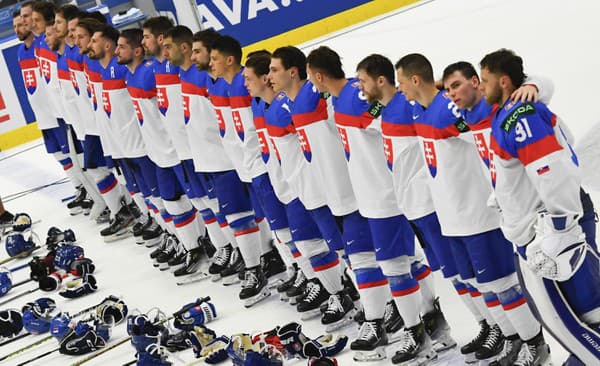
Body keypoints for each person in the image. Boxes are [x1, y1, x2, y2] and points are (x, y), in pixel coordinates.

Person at [396, 53, 551, 365]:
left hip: (479, 217)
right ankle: (511, 339)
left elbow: (522, 96)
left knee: (502, 286)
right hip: (451, 219)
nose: (400, 90)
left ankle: (535, 344)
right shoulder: (423, 109)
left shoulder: (453, 109)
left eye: (403, 83)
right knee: (481, 287)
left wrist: (535, 84)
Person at [480, 48, 600, 365]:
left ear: (503, 81)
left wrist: (563, 227)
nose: (481, 86)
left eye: (485, 79)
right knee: (569, 318)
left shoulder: (521, 116)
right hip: (540, 230)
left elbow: (551, 171)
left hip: (555, 228)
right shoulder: (508, 112)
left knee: (587, 314)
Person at [117, 28, 205, 276]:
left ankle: (199, 245)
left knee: (194, 200)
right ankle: (189, 244)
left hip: (175, 149)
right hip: (157, 151)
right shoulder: (144, 73)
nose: (145, 41)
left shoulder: (162, 71)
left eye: (147, 36)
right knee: (170, 202)